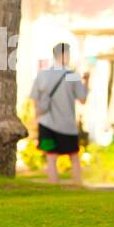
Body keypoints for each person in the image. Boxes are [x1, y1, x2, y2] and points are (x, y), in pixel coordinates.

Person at [29, 42, 89, 184]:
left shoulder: (42, 75)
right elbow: (82, 99)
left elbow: (34, 100)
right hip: (67, 125)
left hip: (46, 124)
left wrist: (36, 117)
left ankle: (53, 185)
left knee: (51, 156)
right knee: (73, 156)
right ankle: (77, 184)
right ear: (65, 55)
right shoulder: (71, 76)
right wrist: (87, 81)